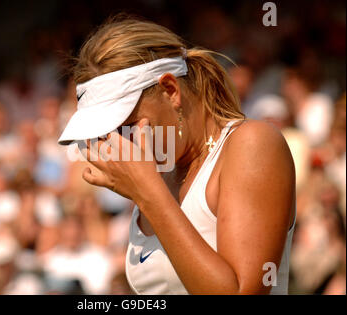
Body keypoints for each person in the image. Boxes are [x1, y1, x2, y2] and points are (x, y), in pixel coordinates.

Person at [57, 17, 296, 295]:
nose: (121, 143)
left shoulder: (253, 144)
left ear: (171, 91)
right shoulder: (157, 172)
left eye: (127, 125)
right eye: (107, 133)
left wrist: (149, 194)